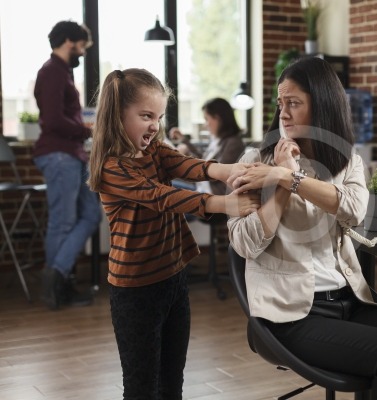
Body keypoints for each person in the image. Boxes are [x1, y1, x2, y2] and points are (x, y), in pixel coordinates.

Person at [227, 57, 377, 400]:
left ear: (322, 107)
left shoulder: (346, 161)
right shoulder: (253, 162)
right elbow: (245, 243)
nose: (284, 114)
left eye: (294, 103)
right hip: (290, 316)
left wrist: (290, 177)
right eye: (281, 103)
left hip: (348, 302)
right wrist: (278, 179)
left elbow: (353, 210)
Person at [87, 68, 260, 400]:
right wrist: (224, 204)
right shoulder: (112, 167)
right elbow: (159, 197)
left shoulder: (154, 148)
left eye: (159, 116)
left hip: (174, 277)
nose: (155, 124)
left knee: (172, 381)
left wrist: (226, 169)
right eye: (146, 115)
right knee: (141, 387)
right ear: (119, 115)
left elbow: (185, 164)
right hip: (135, 290)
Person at [33, 20, 103, 310]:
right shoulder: (51, 73)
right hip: (59, 155)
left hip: (73, 155)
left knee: (91, 215)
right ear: (69, 42)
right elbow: (52, 121)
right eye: (82, 47)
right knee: (62, 223)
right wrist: (87, 130)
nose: (83, 53)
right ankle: (57, 286)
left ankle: (57, 274)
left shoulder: (62, 74)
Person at [169, 97, 245, 195]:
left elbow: (217, 173)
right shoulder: (218, 140)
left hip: (211, 192)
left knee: (169, 184)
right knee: (168, 182)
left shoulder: (234, 143)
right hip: (201, 186)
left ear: (218, 118)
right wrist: (184, 141)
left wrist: (183, 169)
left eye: (206, 119)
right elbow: (205, 161)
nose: (206, 125)